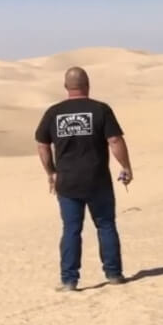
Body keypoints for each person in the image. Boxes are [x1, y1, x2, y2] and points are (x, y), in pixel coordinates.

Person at [34, 66, 134, 291]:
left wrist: (51, 172)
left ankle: (69, 280)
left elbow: (42, 144)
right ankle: (114, 274)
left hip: (67, 182)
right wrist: (126, 166)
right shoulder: (100, 109)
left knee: (71, 229)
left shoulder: (53, 112)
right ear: (87, 84)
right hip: (97, 179)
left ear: (66, 87)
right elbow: (115, 140)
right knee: (105, 225)